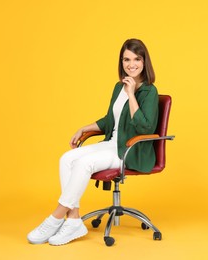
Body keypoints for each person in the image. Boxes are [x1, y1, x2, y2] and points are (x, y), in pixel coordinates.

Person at [27, 38, 159, 246]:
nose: (131, 64)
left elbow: (145, 128)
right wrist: (84, 128)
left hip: (129, 150)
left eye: (136, 59)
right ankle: (73, 219)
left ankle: (56, 216)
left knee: (83, 163)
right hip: (111, 144)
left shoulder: (149, 91)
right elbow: (110, 120)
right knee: (66, 158)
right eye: (126, 59)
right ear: (121, 62)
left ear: (144, 62)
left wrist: (132, 95)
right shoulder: (119, 87)